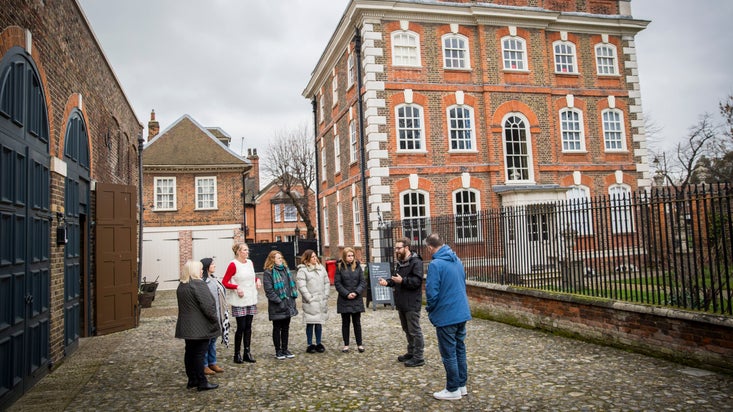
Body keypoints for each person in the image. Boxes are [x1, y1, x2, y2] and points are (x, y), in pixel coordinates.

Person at [424, 233, 472, 401]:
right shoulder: (457, 260)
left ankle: (452, 389)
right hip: (461, 312)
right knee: (460, 349)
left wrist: (430, 309)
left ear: (430, 247)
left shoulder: (436, 264)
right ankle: (461, 385)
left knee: (448, 353)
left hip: (447, 314)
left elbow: (432, 293)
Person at [378, 237, 425, 367]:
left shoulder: (416, 262)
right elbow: (396, 278)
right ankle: (411, 352)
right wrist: (387, 282)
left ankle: (419, 357)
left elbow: (416, 281)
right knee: (406, 329)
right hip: (402, 302)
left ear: (407, 248)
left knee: (415, 330)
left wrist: (402, 281)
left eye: (399, 248)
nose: (396, 251)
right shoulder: (400, 262)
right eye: (396, 248)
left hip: (412, 302)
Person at [175, 260, 220, 391]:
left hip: (187, 326)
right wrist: (214, 320)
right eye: (200, 269)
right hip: (200, 327)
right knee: (199, 354)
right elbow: (208, 306)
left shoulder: (182, 285)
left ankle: (192, 379)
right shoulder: (198, 284)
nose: (202, 271)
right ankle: (202, 381)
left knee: (190, 353)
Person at [222, 242, 261, 364]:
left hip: (250, 298)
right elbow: (225, 282)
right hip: (239, 299)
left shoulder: (250, 263)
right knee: (241, 327)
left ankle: (247, 352)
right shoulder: (233, 265)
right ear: (238, 251)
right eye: (244, 250)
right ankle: (237, 354)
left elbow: (251, 276)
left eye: (247, 250)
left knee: (249, 327)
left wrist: (257, 280)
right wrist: (236, 287)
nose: (247, 252)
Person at [262, 250, 298, 360]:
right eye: (278, 258)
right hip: (276, 306)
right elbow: (269, 291)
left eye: (281, 257)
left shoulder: (286, 270)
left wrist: (291, 298)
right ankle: (278, 350)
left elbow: (292, 285)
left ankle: (285, 348)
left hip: (288, 304)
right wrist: (279, 301)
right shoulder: (268, 272)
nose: (280, 259)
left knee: (286, 328)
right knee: (277, 328)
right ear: (272, 259)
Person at [295, 249, 330, 353]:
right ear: (308, 259)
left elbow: (326, 282)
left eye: (316, 256)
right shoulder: (303, 270)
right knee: (310, 322)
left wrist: (326, 294)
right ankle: (310, 343)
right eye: (313, 257)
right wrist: (309, 297)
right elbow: (301, 286)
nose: (315, 258)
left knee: (319, 322)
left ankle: (319, 343)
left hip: (320, 299)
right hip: (311, 300)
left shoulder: (321, 269)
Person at [334, 247, 366, 353]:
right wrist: (347, 294)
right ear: (344, 256)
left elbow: (362, 282)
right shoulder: (339, 267)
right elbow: (338, 283)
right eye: (349, 255)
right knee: (345, 323)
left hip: (356, 298)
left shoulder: (357, 267)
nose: (351, 257)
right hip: (344, 299)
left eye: (352, 255)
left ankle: (359, 344)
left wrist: (356, 292)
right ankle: (346, 345)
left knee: (357, 322)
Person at [201, 257, 229, 375]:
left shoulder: (214, 279)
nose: (215, 266)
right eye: (212, 264)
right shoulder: (203, 282)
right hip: (209, 315)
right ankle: (204, 365)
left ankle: (212, 362)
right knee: (207, 341)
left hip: (218, 313)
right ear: (207, 266)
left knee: (213, 340)